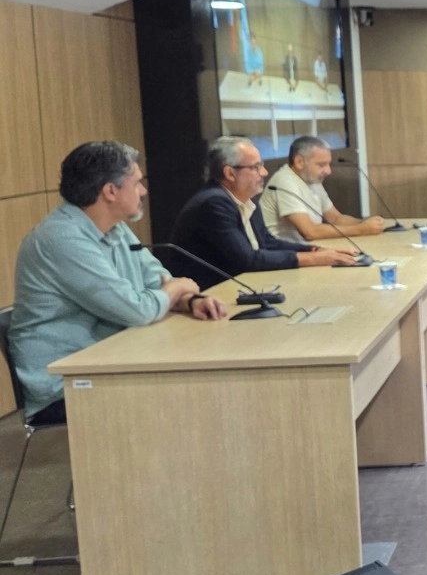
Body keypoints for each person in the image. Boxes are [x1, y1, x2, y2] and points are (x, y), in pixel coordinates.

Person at [9, 142, 229, 424]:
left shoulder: (115, 227)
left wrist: (189, 300)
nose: (144, 191)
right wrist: (177, 288)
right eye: (137, 183)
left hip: (111, 358)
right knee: (183, 391)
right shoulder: (62, 239)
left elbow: (155, 277)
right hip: (65, 381)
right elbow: (136, 310)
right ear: (110, 191)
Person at [169, 137, 360, 289]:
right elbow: (247, 260)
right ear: (230, 173)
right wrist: (313, 259)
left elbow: (268, 243)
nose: (264, 172)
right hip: (214, 294)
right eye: (256, 167)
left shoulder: (244, 198)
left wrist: (316, 251)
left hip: (244, 285)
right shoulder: (214, 203)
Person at [260, 136, 387, 244]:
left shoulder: (311, 179)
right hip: (281, 255)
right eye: (321, 165)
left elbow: (336, 219)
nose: (328, 171)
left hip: (305, 249)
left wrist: (366, 223)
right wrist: (361, 229)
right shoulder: (285, 181)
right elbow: (310, 232)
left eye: (328, 164)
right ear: (299, 162)